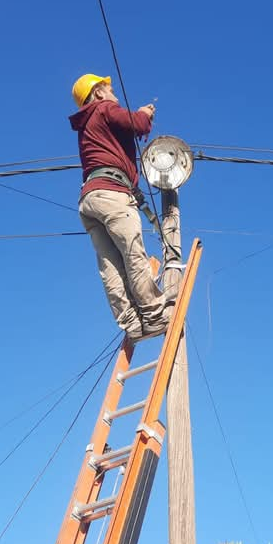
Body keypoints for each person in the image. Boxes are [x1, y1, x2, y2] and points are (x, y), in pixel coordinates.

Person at [69, 73, 171, 342]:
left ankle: (131, 324)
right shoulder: (103, 108)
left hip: (89, 199)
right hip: (113, 194)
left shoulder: (87, 126)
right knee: (132, 255)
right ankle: (154, 315)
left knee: (109, 265)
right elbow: (135, 123)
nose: (114, 94)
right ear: (99, 93)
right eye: (110, 89)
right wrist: (144, 113)